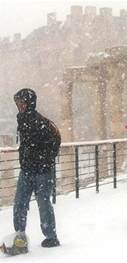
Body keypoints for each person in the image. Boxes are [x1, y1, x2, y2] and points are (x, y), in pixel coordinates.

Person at [12, 88, 61, 253]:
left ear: (28, 103)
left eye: (21, 102)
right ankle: (21, 236)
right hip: (29, 169)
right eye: (17, 103)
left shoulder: (39, 122)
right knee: (23, 203)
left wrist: (41, 159)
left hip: (40, 171)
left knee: (40, 203)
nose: (19, 106)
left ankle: (48, 236)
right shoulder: (23, 120)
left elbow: (52, 144)